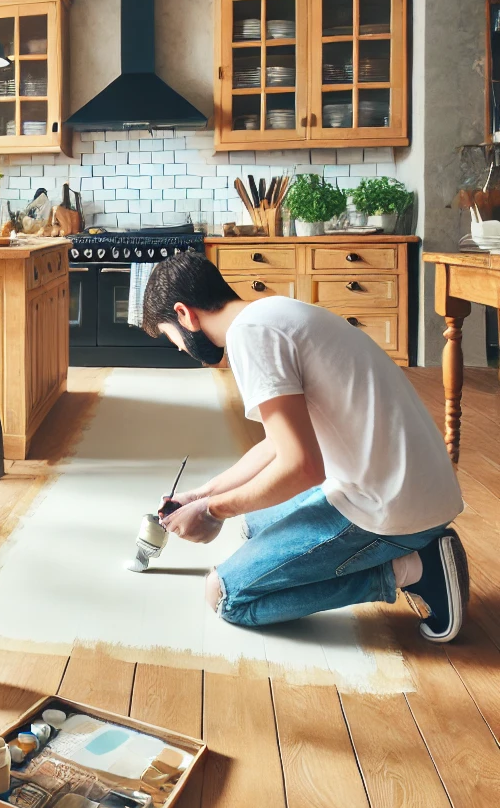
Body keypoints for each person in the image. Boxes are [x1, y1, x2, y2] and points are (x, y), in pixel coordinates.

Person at [140, 250, 468, 642]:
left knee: (226, 596)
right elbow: (276, 446)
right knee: (252, 523)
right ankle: (414, 550)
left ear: (184, 314)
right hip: (413, 488)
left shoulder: (251, 337)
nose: (178, 347)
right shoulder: (270, 313)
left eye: (170, 335)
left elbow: (302, 467)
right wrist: (202, 494)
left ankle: (415, 568)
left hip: (391, 508)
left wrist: (211, 511)